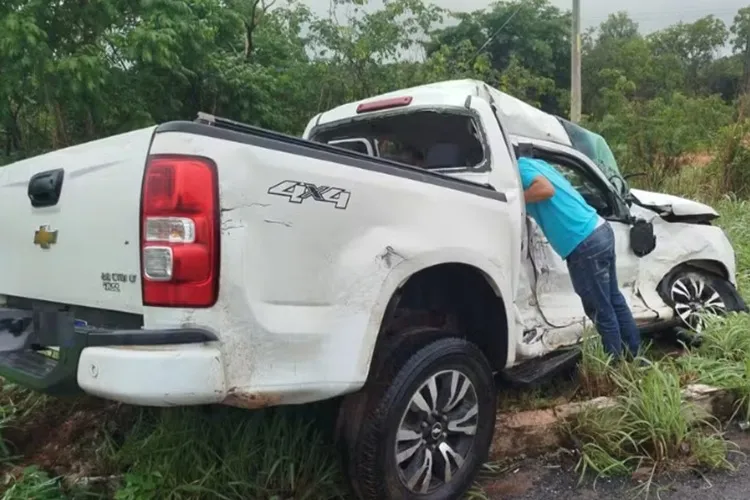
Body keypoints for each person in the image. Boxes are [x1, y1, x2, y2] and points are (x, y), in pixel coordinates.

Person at [518, 155, 641, 358]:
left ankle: (617, 366)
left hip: (584, 242)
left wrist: (517, 198)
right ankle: (634, 357)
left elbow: (546, 190)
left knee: (601, 309)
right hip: (599, 229)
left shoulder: (520, 169)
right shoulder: (535, 163)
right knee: (613, 299)